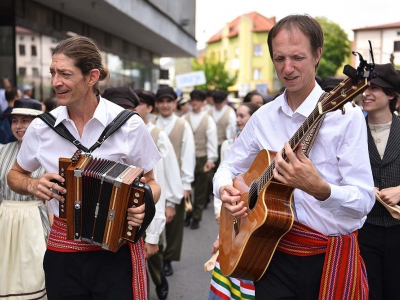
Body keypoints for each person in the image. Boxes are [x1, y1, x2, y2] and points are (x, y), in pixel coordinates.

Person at [213, 14, 375, 299]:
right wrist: (225, 190)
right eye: (279, 59)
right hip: (269, 254)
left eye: (297, 57)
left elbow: (364, 201)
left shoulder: (345, 117)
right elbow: (228, 165)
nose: (287, 68)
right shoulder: (263, 117)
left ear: (317, 55)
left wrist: (322, 190)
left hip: (326, 259)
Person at [7, 36, 161, 300]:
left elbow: (151, 182)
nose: (55, 82)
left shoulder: (128, 125)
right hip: (62, 250)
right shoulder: (42, 127)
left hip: (115, 249)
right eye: (53, 73)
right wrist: (33, 184)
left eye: (65, 74)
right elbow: (14, 175)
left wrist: (144, 201)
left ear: (92, 77)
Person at [209, 102, 260, 300]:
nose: (238, 120)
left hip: (255, 219)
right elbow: (223, 176)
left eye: (243, 116)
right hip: (233, 208)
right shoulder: (229, 144)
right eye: (237, 115)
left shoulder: (266, 149)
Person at [0, 98, 50, 300]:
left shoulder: (49, 152)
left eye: (25, 121)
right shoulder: (2, 151)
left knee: (35, 275)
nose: (18, 126)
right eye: (15, 120)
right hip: (5, 221)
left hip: (36, 221)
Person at [358, 63, 400, 300]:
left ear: (392, 94)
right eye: (365, 87)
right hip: (364, 228)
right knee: (368, 292)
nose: (366, 93)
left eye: (375, 88)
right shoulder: (351, 131)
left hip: (398, 230)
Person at [153, 86, 196, 277]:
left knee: (174, 223)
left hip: (176, 179)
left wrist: (186, 183)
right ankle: (157, 255)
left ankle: (169, 258)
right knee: (154, 220)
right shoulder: (150, 123)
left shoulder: (182, 124)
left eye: (168, 101)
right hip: (153, 178)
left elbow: (189, 154)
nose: (165, 105)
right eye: (161, 101)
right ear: (156, 104)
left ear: (174, 103)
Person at [183, 89, 218, 229]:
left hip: (202, 158)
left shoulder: (208, 119)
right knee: (186, 189)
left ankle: (196, 217)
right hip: (186, 158)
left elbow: (212, 141)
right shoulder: (184, 118)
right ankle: (188, 213)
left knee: (200, 190)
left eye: (198, 100)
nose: (194, 102)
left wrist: (211, 159)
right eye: (193, 100)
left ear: (203, 102)